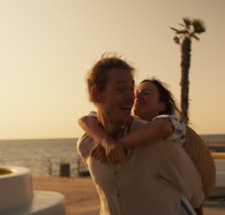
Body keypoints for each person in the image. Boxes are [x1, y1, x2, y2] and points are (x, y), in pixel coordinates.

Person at [76, 55, 205, 215]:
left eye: (132, 88)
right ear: (96, 95)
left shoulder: (157, 142)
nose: (132, 97)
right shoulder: (86, 145)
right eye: (122, 89)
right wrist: (108, 142)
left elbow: (195, 193)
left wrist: (117, 145)